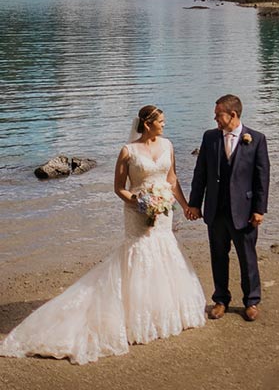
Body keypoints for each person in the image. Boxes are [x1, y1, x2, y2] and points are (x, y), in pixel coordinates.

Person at [0, 105, 206, 364]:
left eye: (164, 121)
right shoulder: (128, 151)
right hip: (137, 211)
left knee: (164, 252)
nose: (164, 124)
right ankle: (134, 316)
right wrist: (140, 203)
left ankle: (161, 313)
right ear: (147, 123)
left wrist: (184, 205)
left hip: (164, 210)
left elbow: (172, 179)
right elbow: (119, 188)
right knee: (139, 253)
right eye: (160, 121)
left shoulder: (168, 145)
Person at [187, 94, 270, 322]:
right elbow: (200, 173)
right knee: (218, 256)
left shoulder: (257, 139)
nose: (215, 119)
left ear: (232, 115)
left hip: (244, 212)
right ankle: (221, 300)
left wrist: (259, 210)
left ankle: (251, 301)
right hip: (216, 210)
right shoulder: (210, 138)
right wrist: (194, 203)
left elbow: (262, 178)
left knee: (247, 258)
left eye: (218, 115)